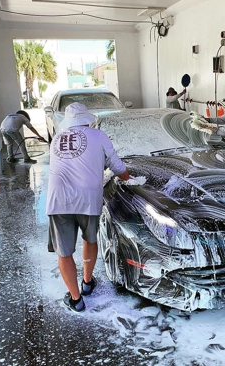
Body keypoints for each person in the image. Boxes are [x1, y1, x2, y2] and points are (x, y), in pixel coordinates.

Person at [46, 102, 129, 312]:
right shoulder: (97, 135)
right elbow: (117, 166)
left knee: (64, 252)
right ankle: (87, 281)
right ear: (87, 119)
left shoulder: (56, 138)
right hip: (88, 199)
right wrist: (131, 180)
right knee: (89, 239)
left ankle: (76, 299)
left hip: (59, 200)